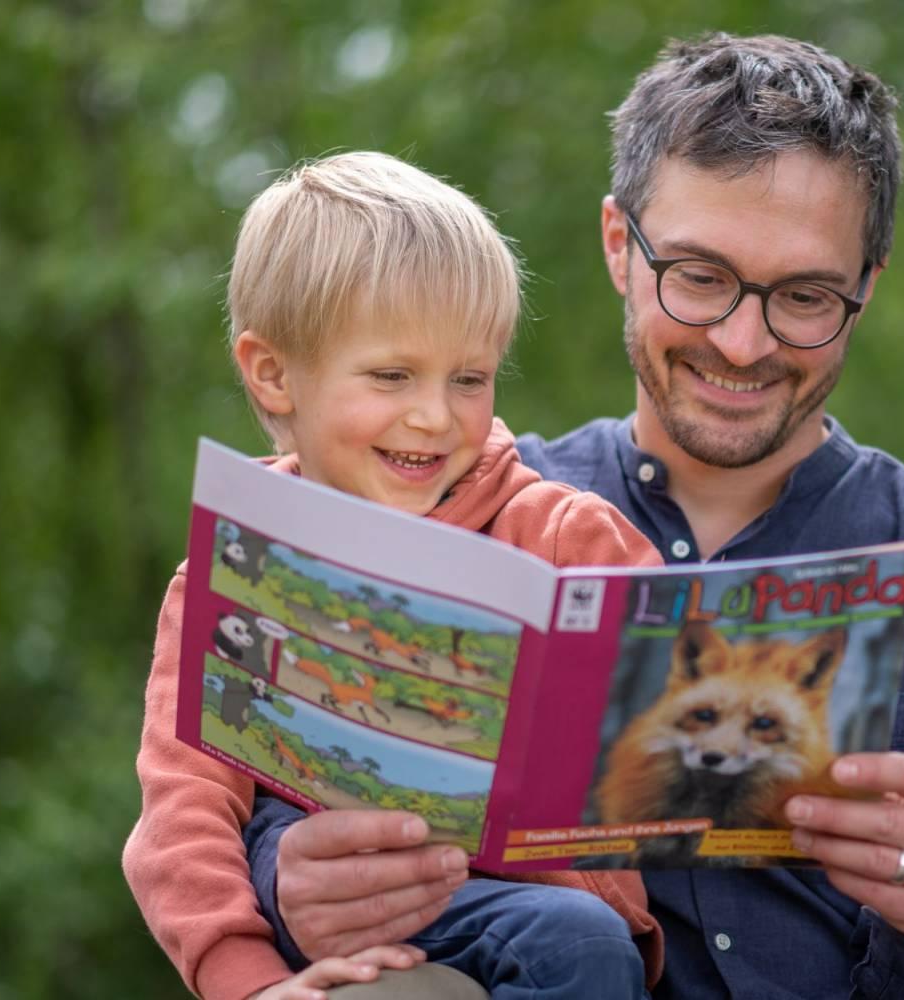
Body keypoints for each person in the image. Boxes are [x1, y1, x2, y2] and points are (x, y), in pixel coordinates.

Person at [245, 34, 904, 999]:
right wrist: (289, 879)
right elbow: (267, 790)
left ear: (866, 290)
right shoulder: (450, 509)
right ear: (617, 246)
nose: (741, 339)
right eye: (699, 276)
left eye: (804, 296)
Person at [121, 151, 667, 1000]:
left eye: (469, 378)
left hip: (530, 903)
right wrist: (249, 982)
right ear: (273, 374)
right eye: (391, 375)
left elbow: (665, 705)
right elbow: (181, 811)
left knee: (581, 943)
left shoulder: (561, 533)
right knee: (271, 825)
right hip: (318, 902)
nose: (434, 415)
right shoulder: (232, 567)